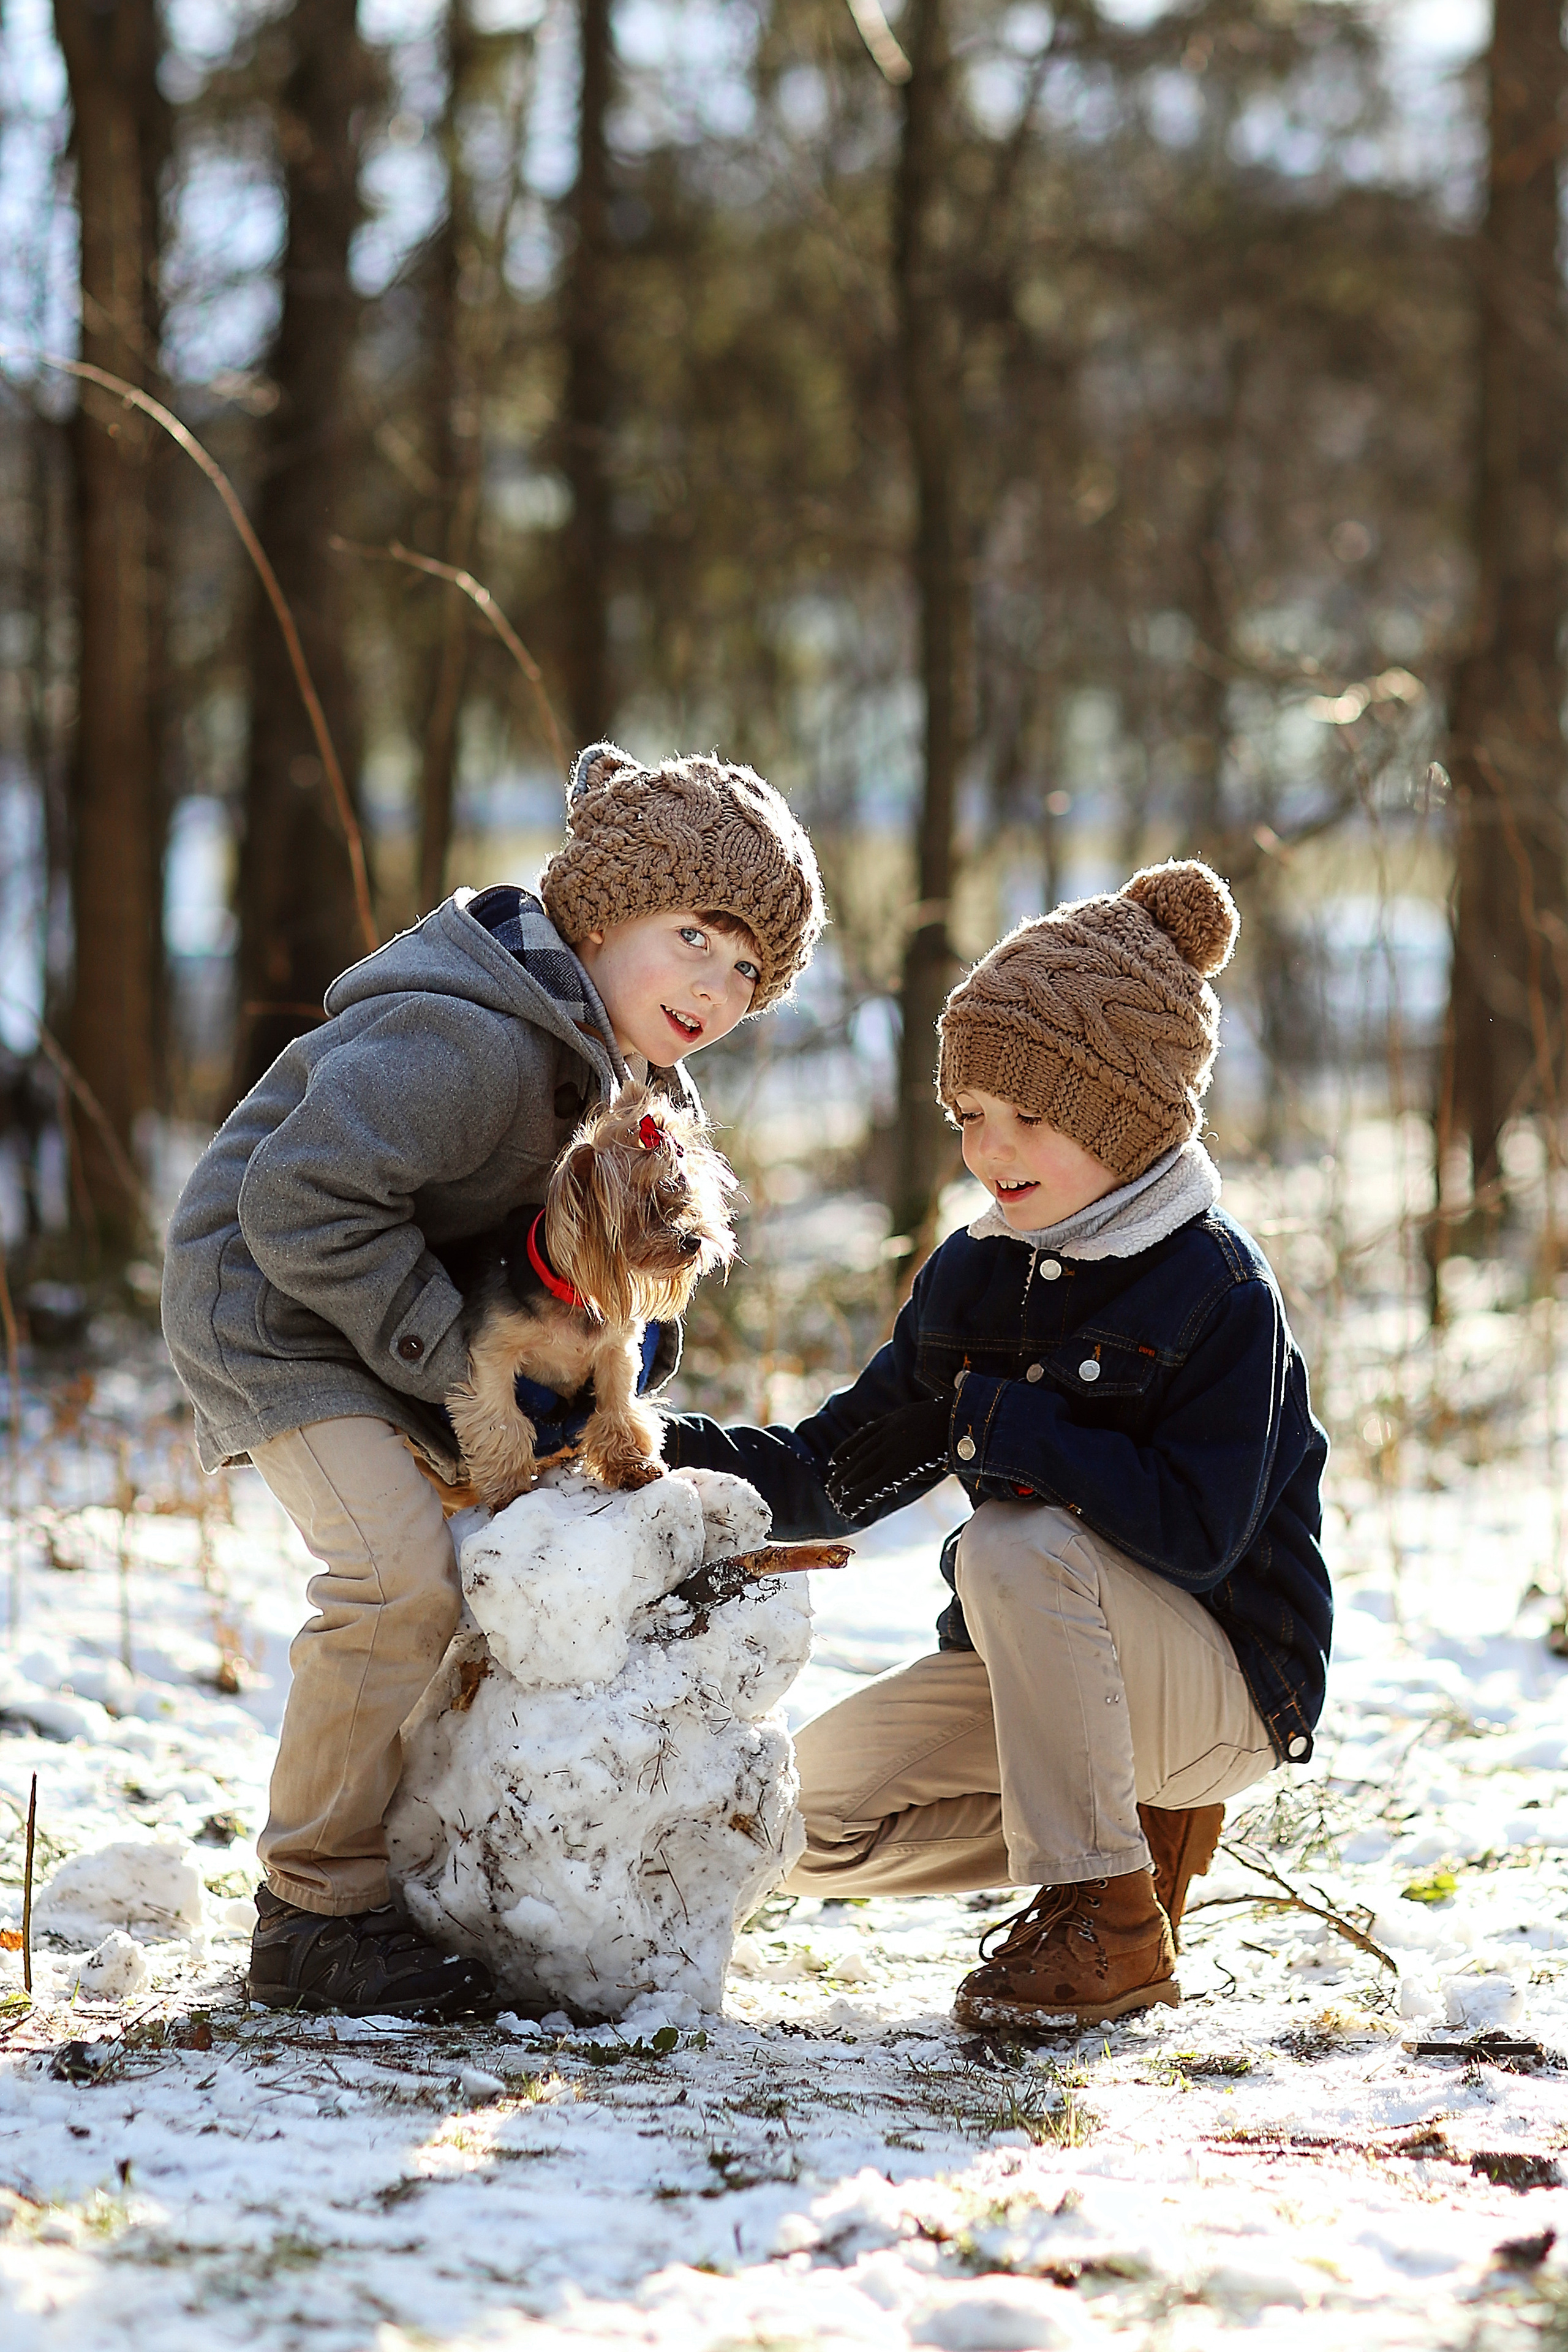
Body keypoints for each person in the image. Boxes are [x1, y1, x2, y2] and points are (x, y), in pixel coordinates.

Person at [162, 742, 824, 2018]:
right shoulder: (463, 1039)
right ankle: (313, 1910)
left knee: (502, 1547)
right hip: (277, 1310)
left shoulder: (629, 1079)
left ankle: (458, 1862)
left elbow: (604, 1270)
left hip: (413, 1310)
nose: (718, 984)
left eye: (748, 970)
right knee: (395, 1575)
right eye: (693, 935)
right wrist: (459, 1377)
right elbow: (297, 1206)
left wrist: (601, 1387)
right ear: (600, 908)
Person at [663, 859, 1330, 2030]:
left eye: (1033, 1118)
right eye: (972, 1117)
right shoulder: (974, 1275)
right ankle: (1126, 1850)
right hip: (1044, 1681)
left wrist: (1015, 1428)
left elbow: (1199, 1536)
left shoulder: (1217, 1288)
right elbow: (831, 1471)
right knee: (784, 1821)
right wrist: (639, 1444)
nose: (991, 1150)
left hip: (1220, 1683)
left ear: (1126, 1116)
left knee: (1012, 1544)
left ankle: (1108, 1923)